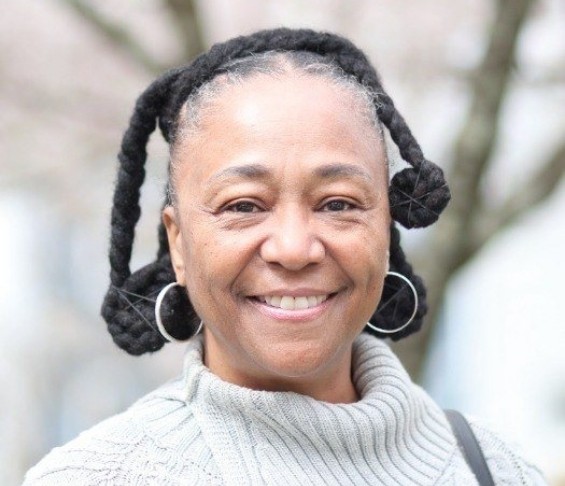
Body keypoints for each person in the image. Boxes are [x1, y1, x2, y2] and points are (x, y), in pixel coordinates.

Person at [24, 28, 545, 485]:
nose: (294, 248)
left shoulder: (497, 471)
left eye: (338, 203)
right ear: (178, 244)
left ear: (387, 226)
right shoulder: (93, 477)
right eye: (244, 206)